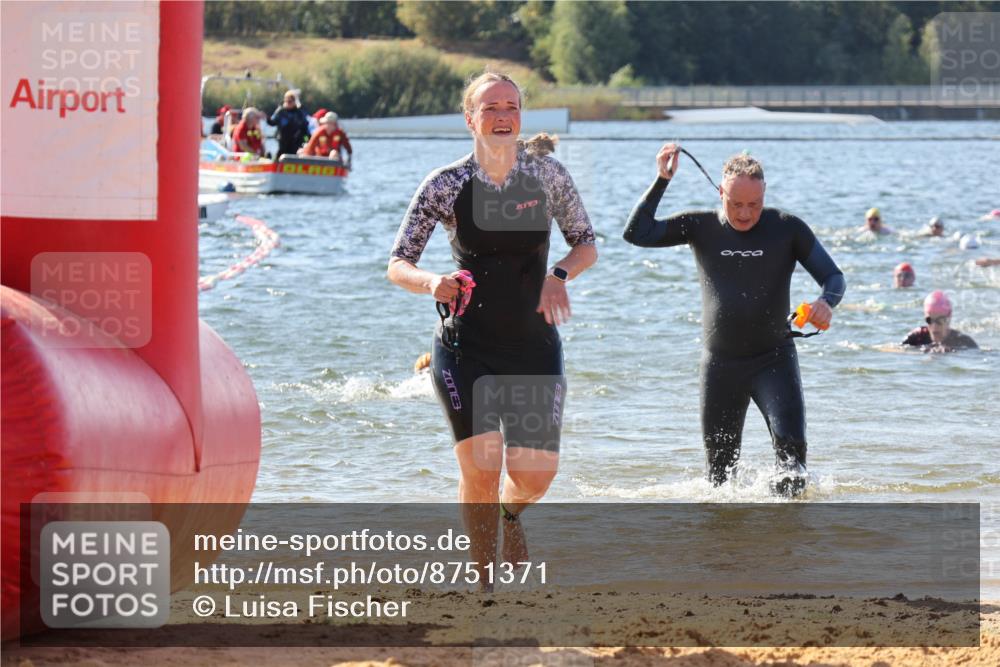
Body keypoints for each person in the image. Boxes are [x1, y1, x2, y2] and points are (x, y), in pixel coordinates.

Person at [387, 71, 597, 586]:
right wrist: (431, 281)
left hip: (533, 345)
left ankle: (512, 514)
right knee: (480, 468)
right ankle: (484, 583)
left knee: (534, 477)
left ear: (520, 116)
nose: (502, 116)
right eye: (490, 108)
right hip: (465, 347)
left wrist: (559, 275)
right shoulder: (446, 184)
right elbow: (398, 262)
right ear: (470, 119)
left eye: (511, 106)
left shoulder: (548, 177)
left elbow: (585, 243)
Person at [623, 145, 845, 496]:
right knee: (719, 480)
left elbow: (833, 277)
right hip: (720, 366)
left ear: (764, 195)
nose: (745, 213)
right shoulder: (699, 226)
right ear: (720, 193)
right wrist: (662, 181)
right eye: (735, 203)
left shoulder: (787, 229)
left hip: (774, 361)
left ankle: (787, 547)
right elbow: (637, 233)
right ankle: (726, 551)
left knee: (792, 466)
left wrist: (825, 302)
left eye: (754, 204)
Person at [902, 291, 978, 352]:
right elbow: (894, 351)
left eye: (940, 320)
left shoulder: (963, 342)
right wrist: (920, 351)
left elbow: (982, 355)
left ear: (949, 319)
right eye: (930, 320)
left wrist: (953, 353)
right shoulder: (917, 337)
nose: (934, 326)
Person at [267, 90, 310, 159]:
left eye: (290, 101)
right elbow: (272, 122)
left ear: (294, 102)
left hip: (296, 143)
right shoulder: (280, 111)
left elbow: (305, 129)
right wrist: (266, 117)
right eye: (286, 101)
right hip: (282, 142)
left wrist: (306, 141)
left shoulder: (300, 113)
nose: (287, 103)